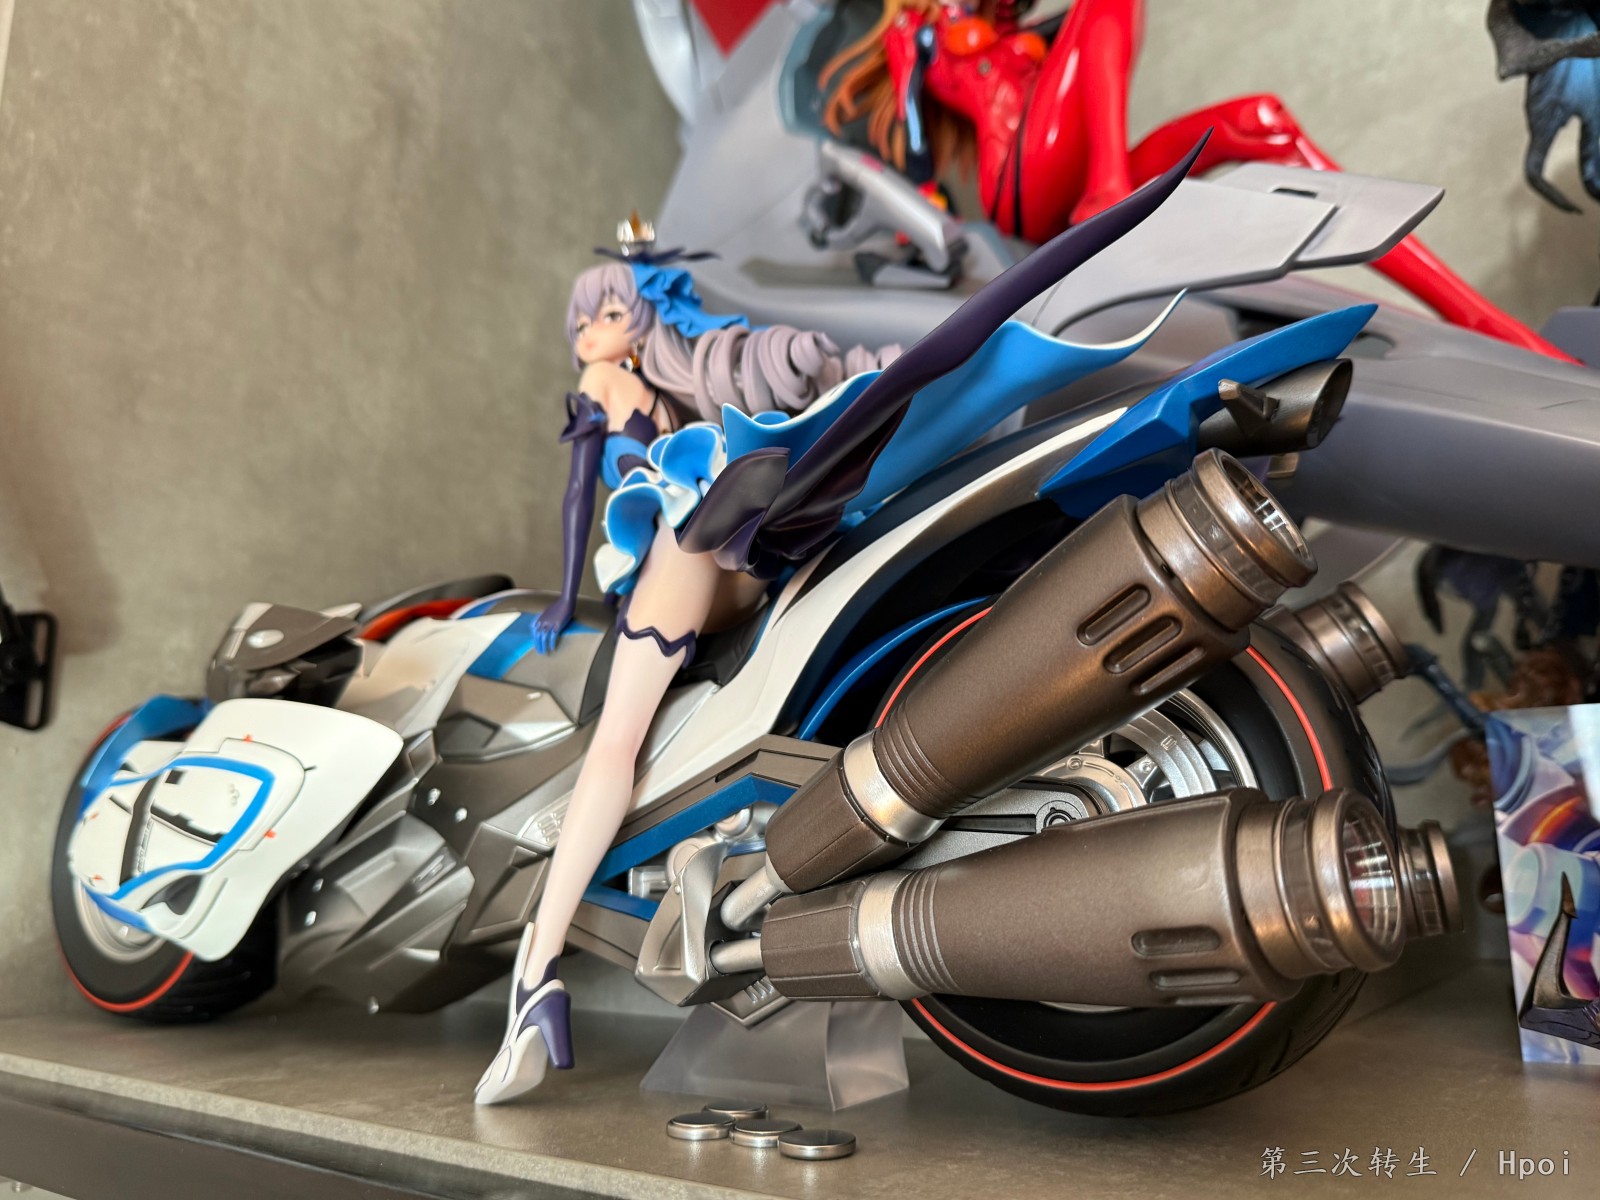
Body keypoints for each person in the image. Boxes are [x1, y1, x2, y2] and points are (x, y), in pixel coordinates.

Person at [476, 144, 1204, 1103]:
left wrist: (563, 599)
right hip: (741, 567)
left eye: (597, 316)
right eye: (582, 321)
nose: (583, 335)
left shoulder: (607, 389)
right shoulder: (680, 378)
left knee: (611, 753)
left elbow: (583, 499)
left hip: (679, 560)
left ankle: (536, 974)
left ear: (630, 322)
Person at [819, 0, 1568, 357]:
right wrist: (921, 227)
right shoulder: (917, 26)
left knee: (1261, 122)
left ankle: (1482, 319)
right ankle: (1109, 190)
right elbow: (916, 146)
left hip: (1082, 177)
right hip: (1023, 184)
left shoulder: (1007, 15)